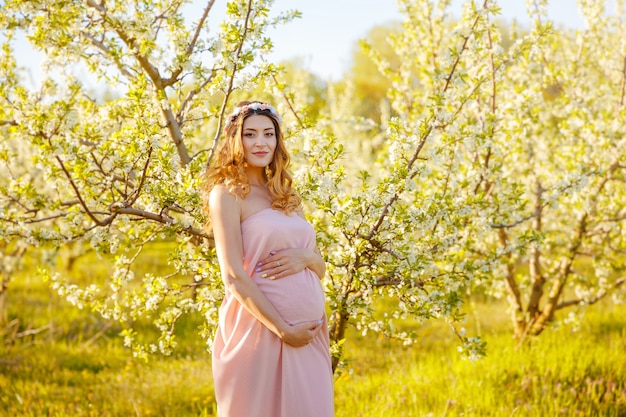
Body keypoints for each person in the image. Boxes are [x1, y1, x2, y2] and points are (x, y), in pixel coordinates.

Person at [202, 101, 334, 417]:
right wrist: (283, 329)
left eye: (268, 134)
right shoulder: (227, 193)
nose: (260, 143)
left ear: (277, 140)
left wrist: (305, 257)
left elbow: (320, 267)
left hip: (309, 336)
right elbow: (233, 276)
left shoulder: (286, 194)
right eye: (250, 134)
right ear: (236, 139)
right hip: (260, 331)